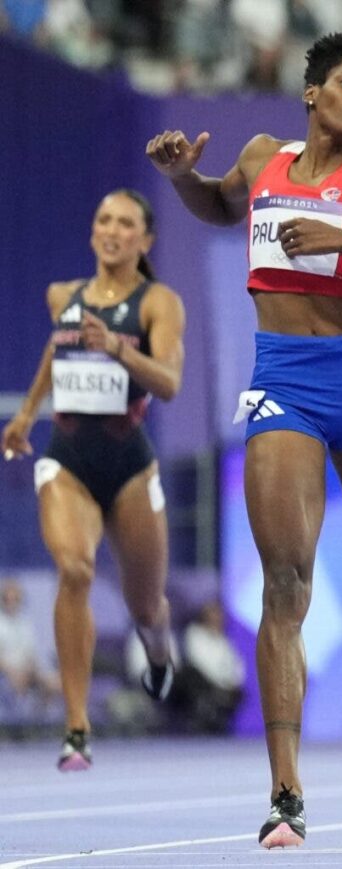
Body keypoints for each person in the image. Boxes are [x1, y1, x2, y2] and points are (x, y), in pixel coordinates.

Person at [146, 27, 342, 849]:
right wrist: (181, 178)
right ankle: (286, 794)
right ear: (312, 92)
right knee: (285, 582)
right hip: (283, 379)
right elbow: (218, 204)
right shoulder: (262, 157)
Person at [1, 189, 185, 771]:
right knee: (75, 568)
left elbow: (170, 384)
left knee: (146, 606)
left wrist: (120, 351)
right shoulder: (64, 296)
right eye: (103, 219)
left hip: (131, 464)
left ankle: (158, 652)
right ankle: (76, 727)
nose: (112, 230)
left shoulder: (159, 303)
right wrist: (28, 415)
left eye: (125, 223)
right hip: (68, 459)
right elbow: (56, 356)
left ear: (144, 241)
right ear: (92, 233)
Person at [175, 600, 246, 734]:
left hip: (224, 686)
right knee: (191, 676)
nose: (218, 618)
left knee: (239, 694)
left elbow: (236, 666)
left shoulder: (224, 641)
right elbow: (199, 664)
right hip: (205, 684)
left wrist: (233, 683)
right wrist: (220, 685)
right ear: (205, 616)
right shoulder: (194, 635)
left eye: (220, 615)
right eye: (214, 614)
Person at [0, 578, 61, 718]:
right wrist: (12, 672)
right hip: (7, 673)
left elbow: (31, 653)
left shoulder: (25, 623)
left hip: (27, 669)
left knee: (53, 683)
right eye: (8, 599)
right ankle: (16, 722)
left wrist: (34, 669)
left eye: (15, 599)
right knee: (17, 681)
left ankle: (40, 719)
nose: (12, 603)